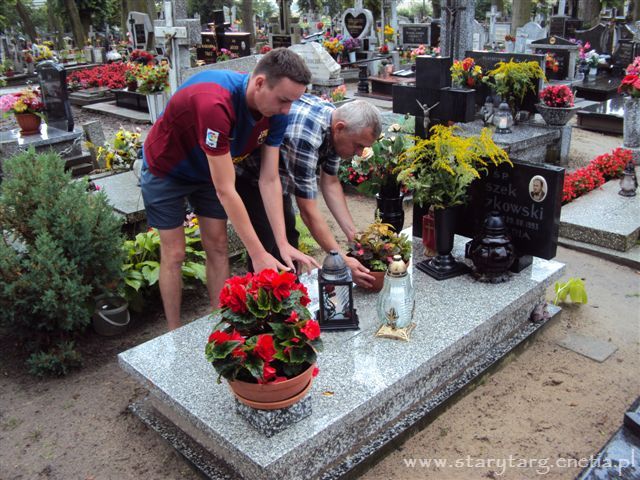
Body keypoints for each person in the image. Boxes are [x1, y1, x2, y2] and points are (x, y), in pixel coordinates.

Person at [140, 48, 318, 330]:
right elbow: (226, 190)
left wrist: (281, 243)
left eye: (292, 102)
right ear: (259, 83)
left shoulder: (278, 112)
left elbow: (269, 180)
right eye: (283, 100)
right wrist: (259, 254)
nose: (287, 110)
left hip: (209, 171)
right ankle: (173, 333)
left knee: (219, 246)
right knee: (174, 253)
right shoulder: (215, 103)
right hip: (167, 169)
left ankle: (221, 324)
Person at [235, 94, 382, 287]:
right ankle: (263, 301)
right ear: (339, 128)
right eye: (359, 146)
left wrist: (354, 237)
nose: (360, 153)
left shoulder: (336, 128)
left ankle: (291, 292)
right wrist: (342, 260)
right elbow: (307, 210)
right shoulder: (307, 136)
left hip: (278, 174)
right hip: (249, 174)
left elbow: (330, 183)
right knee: (266, 240)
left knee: (289, 235)